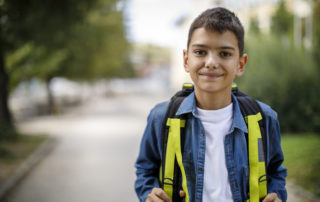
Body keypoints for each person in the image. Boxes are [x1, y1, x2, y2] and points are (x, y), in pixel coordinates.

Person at [134, 7, 287, 202]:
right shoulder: (161, 116)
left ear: (240, 64)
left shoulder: (264, 118)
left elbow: (275, 171)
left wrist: (277, 195)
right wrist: (149, 193)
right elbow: (145, 170)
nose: (211, 62)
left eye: (224, 54)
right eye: (200, 52)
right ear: (186, 60)